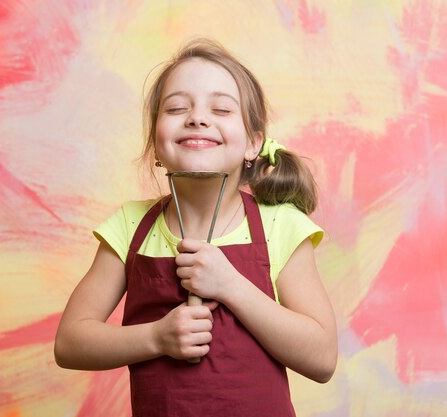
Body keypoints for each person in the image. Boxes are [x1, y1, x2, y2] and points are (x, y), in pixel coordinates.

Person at [54, 38, 338, 416]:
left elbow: (321, 359)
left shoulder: (281, 225)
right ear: (155, 143)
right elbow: (70, 343)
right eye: (176, 108)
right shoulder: (130, 226)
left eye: (220, 108)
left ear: (253, 144)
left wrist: (230, 284)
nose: (197, 118)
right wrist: (157, 337)